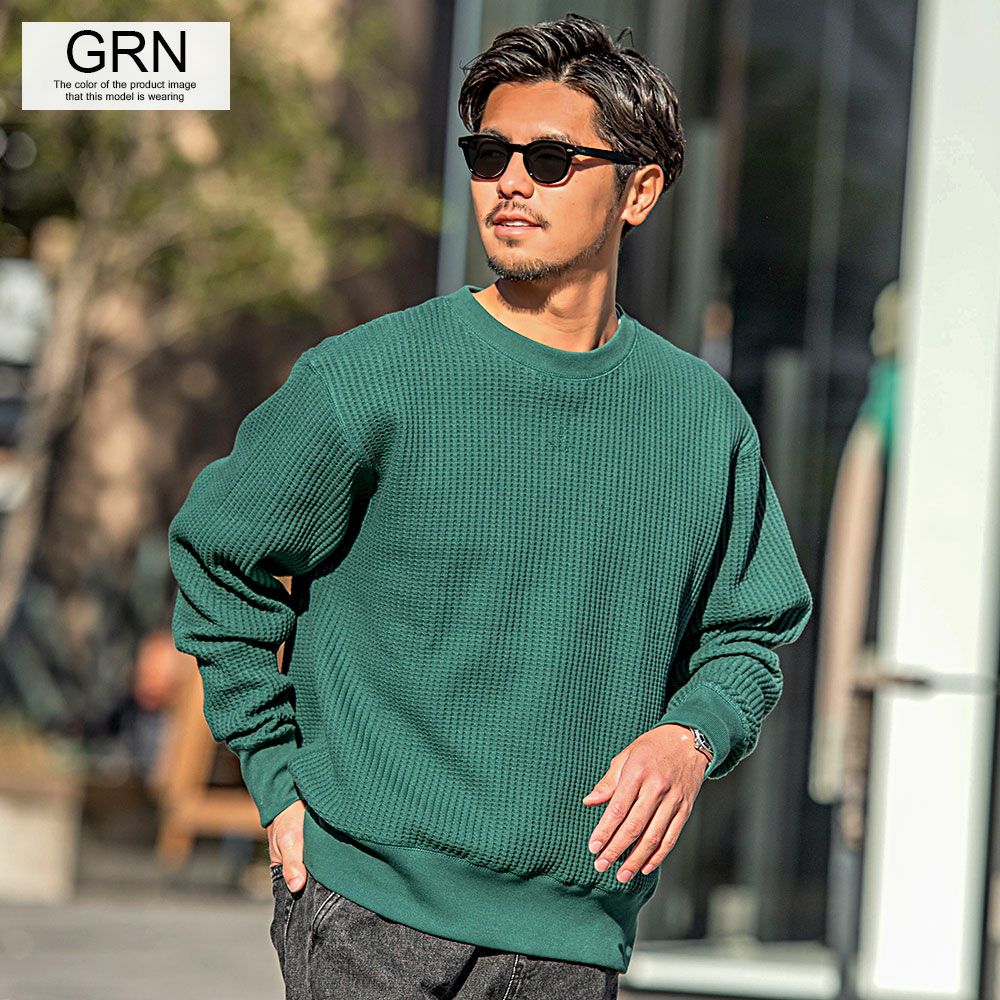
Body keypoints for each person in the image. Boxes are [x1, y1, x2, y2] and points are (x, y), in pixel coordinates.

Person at [167, 12, 813, 999]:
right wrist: (274, 773)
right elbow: (220, 556)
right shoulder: (370, 378)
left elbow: (750, 631)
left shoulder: (699, 419)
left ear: (639, 191)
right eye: (487, 154)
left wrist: (692, 736)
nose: (509, 181)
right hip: (368, 912)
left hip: (574, 935)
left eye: (550, 159)